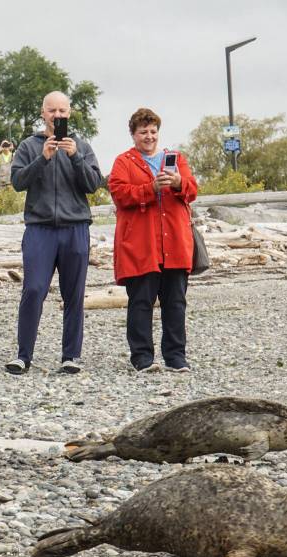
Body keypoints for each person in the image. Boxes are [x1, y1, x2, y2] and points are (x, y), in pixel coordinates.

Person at [5, 91, 104, 375]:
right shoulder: (28, 146)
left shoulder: (82, 146)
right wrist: (43, 158)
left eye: (62, 111)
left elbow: (93, 184)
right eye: (52, 111)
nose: (57, 116)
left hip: (76, 229)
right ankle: (23, 356)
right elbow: (18, 182)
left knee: (74, 294)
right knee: (34, 289)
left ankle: (70, 356)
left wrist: (74, 157)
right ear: (43, 112)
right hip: (40, 229)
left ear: (69, 113)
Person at [108, 108, 198, 373]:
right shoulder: (123, 162)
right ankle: (142, 357)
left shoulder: (175, 158)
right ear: (133, 135)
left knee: (176, 302)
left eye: (153, 131)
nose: (149, 137)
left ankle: (175, 357)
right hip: (140, 244)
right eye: (143, 132)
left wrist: (179, 182)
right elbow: (120, 194)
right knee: (140, 301)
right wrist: (151, 189)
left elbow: (192, 190)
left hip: (174, 243)